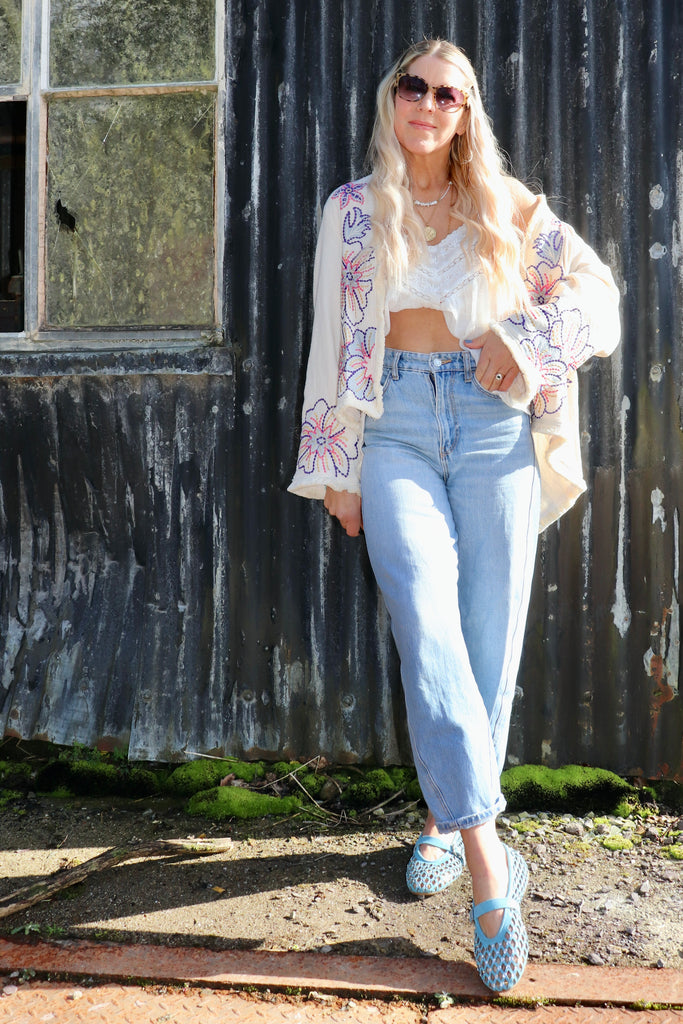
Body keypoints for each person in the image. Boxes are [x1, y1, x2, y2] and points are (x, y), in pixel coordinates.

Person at [289, 39, 620, 991]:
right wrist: (336, 469)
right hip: (390, 427)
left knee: (485, 640)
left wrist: (523, 337)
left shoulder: (509, 209)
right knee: (426, 624)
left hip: (489, 427)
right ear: (391, 98)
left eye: (449, 93)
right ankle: (487, 864)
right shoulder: (353, 211)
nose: (428, 103)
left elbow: (598, 298)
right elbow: (330, 340)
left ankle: (442, 819)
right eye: (414, 86)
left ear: (467, 112)